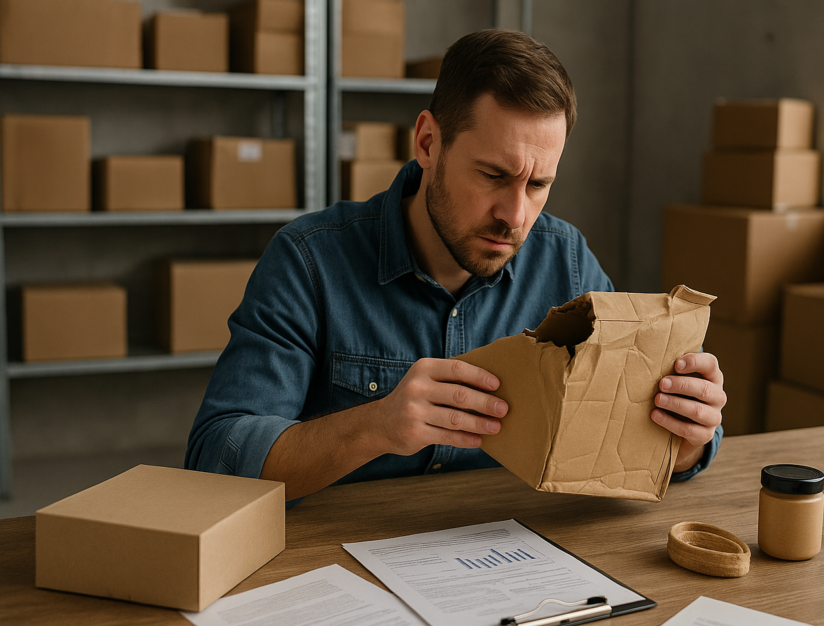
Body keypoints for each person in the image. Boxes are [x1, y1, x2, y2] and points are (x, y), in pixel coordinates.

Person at [185, 29, 726, 503]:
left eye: (538, 185)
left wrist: (682, 440)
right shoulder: (308, 261)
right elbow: (215, 458)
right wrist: (374, 427)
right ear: (427, 142)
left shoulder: (567, 262)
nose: (515, 217)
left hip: (507, 563)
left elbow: (629, 442)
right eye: (493, 175)